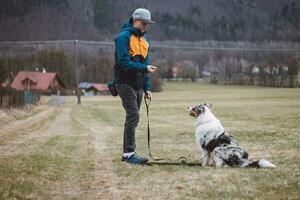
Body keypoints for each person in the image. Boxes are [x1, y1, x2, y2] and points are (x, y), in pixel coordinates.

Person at [114, 8, 157, 165]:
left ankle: (127, 154)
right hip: (124, 83)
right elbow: (124, 63)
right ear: (135, 20)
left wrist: (147, 88)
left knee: (131, 118)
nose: (146, 26)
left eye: (148, 24)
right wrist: (145, 69)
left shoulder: (145, 42)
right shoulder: (123, 37)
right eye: (144, 23)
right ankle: (130, 154)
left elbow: (146, 65)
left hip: (138, 85)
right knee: (133, 116)